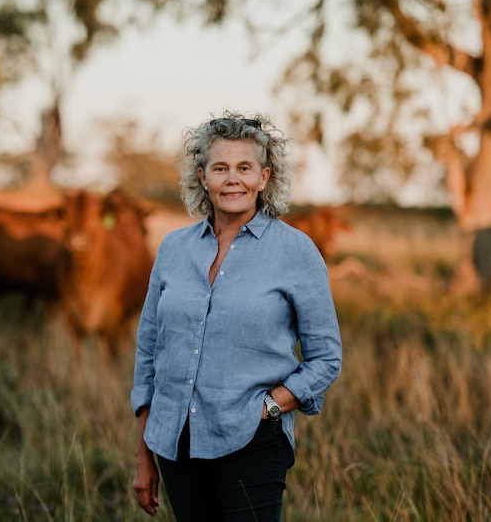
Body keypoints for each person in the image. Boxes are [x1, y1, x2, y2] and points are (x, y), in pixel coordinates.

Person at [131, 112, 343, 521]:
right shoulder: (173, 249)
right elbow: (149, 352)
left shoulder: (296, 252)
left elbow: (326, 358)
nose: (233, 179)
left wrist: (270, 407)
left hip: (252, 441)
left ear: (264, 178)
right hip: (175, 445)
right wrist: (143, 455)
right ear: (202, 177)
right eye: (220, 168)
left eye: (245, 168)